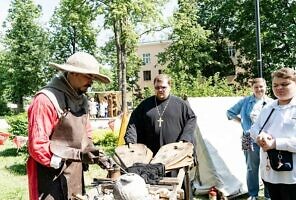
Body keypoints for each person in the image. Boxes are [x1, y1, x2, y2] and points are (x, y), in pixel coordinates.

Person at [27, 52, 111, 200]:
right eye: (88, 76)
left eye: (93, 77)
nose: (91, 82)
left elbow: (86, 135)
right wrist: (77, 155)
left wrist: (95, 154)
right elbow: (38, 146)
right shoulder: (46, 100)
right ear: (72, 72)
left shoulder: (82, 100)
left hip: (74, 173)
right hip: (49, 176)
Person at [124, 74, 197, 199]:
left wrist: (184, 139)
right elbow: (133, 122)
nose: (160, 90)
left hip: (175, 155)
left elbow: (191, 119)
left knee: (178, 188)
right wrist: (131, 140)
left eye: (163, 87)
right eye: (157, 87)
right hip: (152, 156)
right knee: (154, 191)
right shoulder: (145, 105)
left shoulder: (180, 104)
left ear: (170, 86)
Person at [250, 68, 296, 200]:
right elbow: (254, 129)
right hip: (270, 175)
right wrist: (260, 137)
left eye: (284, 84)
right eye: (275, 85)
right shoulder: (268, 107)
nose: (279, 88)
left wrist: (275, 144)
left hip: (295, 178)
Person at [227, 77, 272, 200]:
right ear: (252, 88)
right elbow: (229, 113)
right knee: (251, 168)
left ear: (265, 87)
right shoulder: (245, 101)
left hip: (266, 139)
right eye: (256, 87)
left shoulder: (271, 102)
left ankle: (268, 195)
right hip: (247, 138)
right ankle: (253, 194)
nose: (259, 89)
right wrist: (242, 122)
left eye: (261, 86)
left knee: (268, 167)